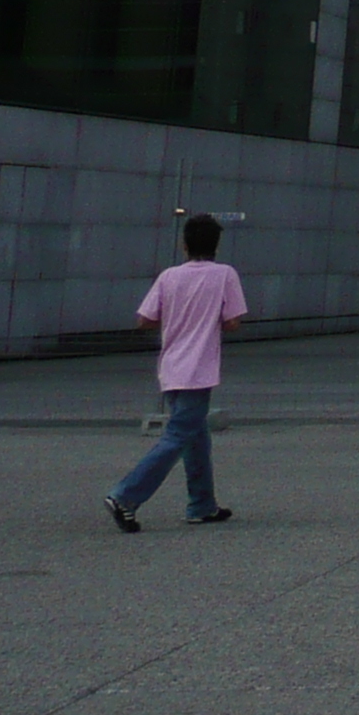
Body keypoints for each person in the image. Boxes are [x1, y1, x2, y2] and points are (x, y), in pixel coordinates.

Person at [104, 214, 247, 531]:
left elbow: (145, 319)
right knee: (179, 436)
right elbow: (233, 322)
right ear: (216, 245)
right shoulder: (224, 275)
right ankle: (125, 496)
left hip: (171, 367)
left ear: (184, 244)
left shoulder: (169, 277)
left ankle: (202, 504)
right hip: (199, 370)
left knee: (196, 437)